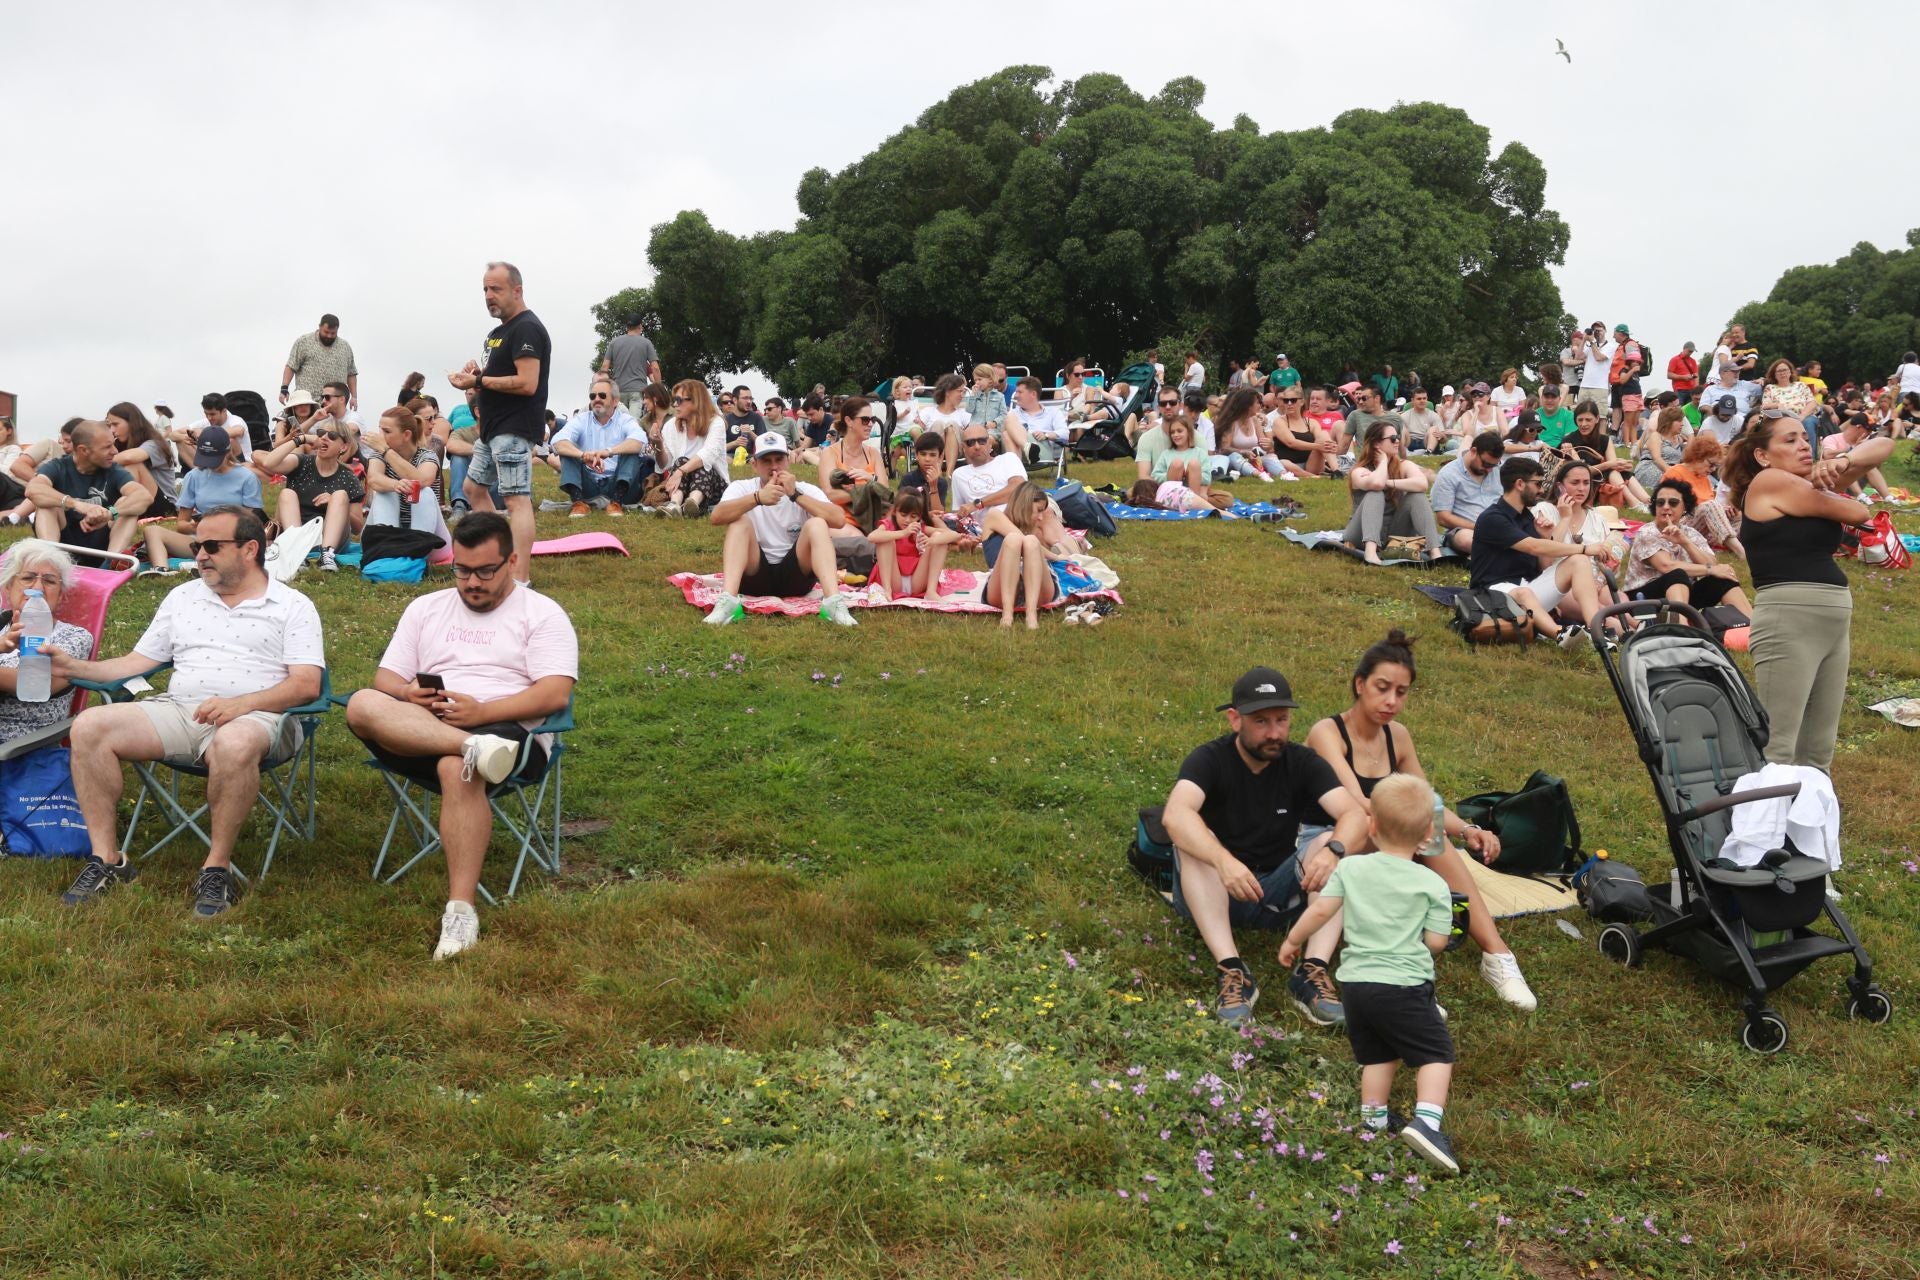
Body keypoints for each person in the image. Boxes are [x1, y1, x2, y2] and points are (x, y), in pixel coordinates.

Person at [53, 507, 325, 917]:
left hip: (263, 718)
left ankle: (217, 868)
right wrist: (73, 668)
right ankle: (107, 860)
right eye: (197, 545)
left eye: (212, 546)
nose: (199, 555)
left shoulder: (292, 605)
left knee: (234, 742)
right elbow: (134, 663)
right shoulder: (182, 596)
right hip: (183, 712)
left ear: (250, 548)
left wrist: (241, 705)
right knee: (90, 725)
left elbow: (307, 685)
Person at [344, 512, 577, 959]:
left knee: (458, 768)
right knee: (361, 703)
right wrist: (409, 693)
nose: (472, 582)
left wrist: (483, 711)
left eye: (485, 571)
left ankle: (460, 911)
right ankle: (471, 747)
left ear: (511, 562)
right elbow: (385, 678)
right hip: (426, 727)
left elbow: (553, 694)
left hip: (511, 735)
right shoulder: (425, 609)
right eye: (462, 570)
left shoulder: (542, 614)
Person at [1302, 630, 1536, 1010]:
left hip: (1383, 838)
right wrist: (1420, 827)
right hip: (1329, 843)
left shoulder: (1398, 737)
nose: (1391, 701)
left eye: (1401, 692)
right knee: (1417, 834)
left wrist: (1470, 830)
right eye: (1382, 688)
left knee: (1430, 836)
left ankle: (1497, 957)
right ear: (1359, 684)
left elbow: (1424, 800)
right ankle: (1403, 981)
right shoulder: (1327, 733)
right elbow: (1359, 804)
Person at [1162, 667, 1371, 1027]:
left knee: (1333, 844)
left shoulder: (1302, 762)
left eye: (1282, 720)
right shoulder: (1208, 759)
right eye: (1261, 721)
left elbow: (1354, 814)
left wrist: (1333, 851)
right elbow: (1175, 816)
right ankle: (1232, 970)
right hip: (1212, 892)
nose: (1274, 732)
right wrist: (1223, 860)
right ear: (1235, 719)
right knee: (1194, 842)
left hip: (1277, 891)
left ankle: (1312, 971)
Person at [1279, 773, 1461, 1173]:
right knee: (1435, 1054)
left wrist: (1294, 940)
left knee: (1380, 1053)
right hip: (1405, 985)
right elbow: (1436, 942)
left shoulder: (1352, 870)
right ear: (1428, 835)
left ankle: (1373, 1122)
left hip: (1356, 986)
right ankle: (1427, 1124)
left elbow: (1323, 910)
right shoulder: (1433, 884)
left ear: (1372, 826)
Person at [1721, 414, 1894, 769]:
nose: (1803, 444)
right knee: (1778, 743)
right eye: (1789, 440)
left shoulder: (1811, 484)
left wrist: (1842, 461)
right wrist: (1832, 479)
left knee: (1818, 747)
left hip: (1829, 619)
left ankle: (1809, 822)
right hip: (1789, 615)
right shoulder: (1770, 482)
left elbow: (1884, 446)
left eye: (1805, 437)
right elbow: (1858, 511)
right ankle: (1764, 821)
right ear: (1763, 456)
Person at [447, 262, 550, 584]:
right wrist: (477, 373)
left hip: (514, 428)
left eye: (496, 289)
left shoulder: (527, 328)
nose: (489, 296)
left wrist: (479, 381)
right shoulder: (498, 332)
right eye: (485, 290)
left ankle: (520, 579)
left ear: (517, 290)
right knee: (472, 488)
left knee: (516, 500)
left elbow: (528, 382)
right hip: (492, 430)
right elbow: (494, 376)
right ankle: (503, 555)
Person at [703, 432, 857, 627]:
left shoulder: (804, 489)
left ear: (788, 461)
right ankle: (729, 601)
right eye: (766, 461)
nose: (774, 467)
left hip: (797, 577)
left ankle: (833, 602)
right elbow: (716, 517)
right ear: (754, 465)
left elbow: (838, 519)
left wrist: (796, 495)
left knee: (817, 524)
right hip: (754, 576)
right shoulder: (743, 487)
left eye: (779, 459)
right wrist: (757, 498)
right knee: (739, 522)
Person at [1469, 455, 1612, 648]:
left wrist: (1547, 535)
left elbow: (1544, 560)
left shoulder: (1526, 517)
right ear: (1520, 484)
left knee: (1578, 561)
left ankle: (1596, 631)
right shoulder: (1493, 518)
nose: (1542, 490)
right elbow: (1533, 547)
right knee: (1525, 593)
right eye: (1537, 484)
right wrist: (1585, 548)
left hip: (1528, 589)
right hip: (1492, 593)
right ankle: (1561, 636)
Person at [0, 541, 96, 746]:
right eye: (27, 578)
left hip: (21, 745)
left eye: (50, 581)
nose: (38, 587)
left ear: (60, 596)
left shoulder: (75, 637)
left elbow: (36, 683)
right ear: (8, 588)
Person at [141, 426, 267, 574]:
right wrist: (196, 527)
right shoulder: (194, 476)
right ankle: (161, 569)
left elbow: (251, 523)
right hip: (200, 538)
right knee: (152, 531)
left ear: (227, 452)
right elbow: (181, 524)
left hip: (232, 539)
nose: (209, 465)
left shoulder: (247, 478)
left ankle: (204, 564)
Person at [1622, 479, 1751, 620]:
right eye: (1660, 502)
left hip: (1682, 593)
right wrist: (1710, 569)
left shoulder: (1690, 533)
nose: (1665, 507)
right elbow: (1666, 566)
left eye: (1673, 502)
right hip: (1643, 599)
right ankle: (1681, 630)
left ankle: (1752, 627)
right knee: (1677, 574)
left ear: (1685, 507)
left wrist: (1685, 542)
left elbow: (1712, 563)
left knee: (1722, 579)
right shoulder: (1647, 532)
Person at [27, 419, 152, 555]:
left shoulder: (113, 470)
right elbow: (33, 490)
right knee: (47, 504)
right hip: (64, 545)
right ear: (83, 450)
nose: (115, 451)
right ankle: (52, 560)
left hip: (103, 545)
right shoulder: (57, 466)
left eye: (113, 445)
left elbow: (144, 496)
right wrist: (76, 504)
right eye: (107, 447)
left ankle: (112, 563)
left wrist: (110, 513)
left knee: (126, 504)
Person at [254, 421, 364, 569]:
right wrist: (301, 439)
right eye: (320, 434)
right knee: (287, 493)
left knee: (340, 495)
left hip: (332, 539)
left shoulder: (348, 477)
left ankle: (326, 556)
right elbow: (268, 463)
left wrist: (335, 503)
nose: (324, 438)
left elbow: (357, 527)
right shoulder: (302, 463)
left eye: (331, 436)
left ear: (343, 447)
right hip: (300, 535)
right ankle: (298, 552)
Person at [1343, 419, 1440, 564]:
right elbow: (1376, 483)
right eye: (1392, 438)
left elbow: (1422, 484)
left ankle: (1435, 552)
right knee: (1375, 492)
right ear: (1376, 444)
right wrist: (1383, 462)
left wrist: (1389, 483)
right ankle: (1370, 552)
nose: (1397, 441)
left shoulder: (1403, 465)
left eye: (1398, 437)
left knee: (1417, 496)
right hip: (1360, 533)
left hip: (1392, 533)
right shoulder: (1359, 470)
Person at [552, 376, 648, 517]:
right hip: (589, 484)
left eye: (602, 395)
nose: (596, 399)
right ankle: (578, 503)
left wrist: (608, 452)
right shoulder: (581, 419)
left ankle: (616, 502)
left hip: (619, 483)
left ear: (615, 401)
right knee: (567, 451)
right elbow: (557, 442)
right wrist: (583, 456)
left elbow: (639, 442)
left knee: (632, 451)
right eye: (593, 396)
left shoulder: (626, 420)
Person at [362, 405, 446, 548]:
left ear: (406, 435)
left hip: (428, 532)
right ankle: (387, 548)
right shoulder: (378, 454)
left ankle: (418, 549)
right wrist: (395, 485)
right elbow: (374, 479)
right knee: (384, 493)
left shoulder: (427, 455)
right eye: (380, 429)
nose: (380, 436)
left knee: (424, 492)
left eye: (386, 431)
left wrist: (386, 450)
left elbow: (422, 480)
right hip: (392, 524)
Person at [869, 487, 960, 602]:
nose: (907, 520)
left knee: (938, 537)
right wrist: (903, 533)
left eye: (913, 516)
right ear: (894, 511)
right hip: (893, 580)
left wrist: (931, 541)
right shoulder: (889, 525)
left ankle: (930, 591)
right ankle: (887, 590)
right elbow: (872, 537)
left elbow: (954, 535)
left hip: (917, 581)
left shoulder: (920, 528)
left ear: (919, 517)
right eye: (903, 515)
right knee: (886, 539)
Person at [1663, 434, 1744, 557]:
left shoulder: (1705, 479)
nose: (1712, 470)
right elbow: (1667, 509)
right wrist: (1707, 509)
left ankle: (1736, 545)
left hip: (1700, 531)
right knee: (1710, 506)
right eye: (1711, 464)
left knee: (1738, 515)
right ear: (1698, 456)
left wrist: (1723, 512)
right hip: (1677, 526)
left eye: (1716, 466)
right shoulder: (1675, 473)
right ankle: (1740, 551)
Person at [818, 397, 891, 533]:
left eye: (872, 420)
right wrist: (868, 488)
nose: (870, 424)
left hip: (874, 519)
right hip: (843, 522)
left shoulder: (873, 454)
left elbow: (885, 494)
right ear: (849, 421)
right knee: (861, 541)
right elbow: (831, 495)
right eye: (865, 420)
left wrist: (868, 481)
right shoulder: (830, 453)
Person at [656, 380, 728, 517]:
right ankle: (675, 505)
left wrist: (680, 472)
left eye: (679, 400)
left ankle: (693, 503)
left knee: (702, 463)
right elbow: (664, 465)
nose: (675, 404)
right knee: (681, 461)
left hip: (714, 485)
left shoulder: (716, 422)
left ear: (696, 401)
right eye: (674, 400)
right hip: (683, 486)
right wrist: (658, 444)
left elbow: (707, 454)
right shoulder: (670, 425)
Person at [1429, 431, 1505, 555]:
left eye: (1494, 465)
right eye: (1486, 464)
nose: (1490, 470)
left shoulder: (1496, 471)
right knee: (1466, 539)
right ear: (1474, 451)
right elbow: (1443, 518)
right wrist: (1481, 527)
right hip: (1466, 530)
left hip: (1500, 526)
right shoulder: (1449, 474)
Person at [104, 402, 179, 515]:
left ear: (131, 423)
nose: (112, 430)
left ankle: (114, 513)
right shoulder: (118, 446)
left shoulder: (155, 444)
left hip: (165, 505)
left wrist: (98, 461)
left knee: (132, 465)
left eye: (115, 424)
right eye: (109, 426)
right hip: (138, 502)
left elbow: (129, 458)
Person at [949, 421, 1028, 524]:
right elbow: (959, 512)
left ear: (990, 444)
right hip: (985, 531)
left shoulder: (1008, 459)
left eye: (981, 441)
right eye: (970, 442)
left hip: (1015, 520)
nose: (977, 446)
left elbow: (1018, 489)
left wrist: (978, 504)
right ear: (963, 447)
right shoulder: (959, 474)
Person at [281, 313, 358, 409]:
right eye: (326, 332)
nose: (329, 336)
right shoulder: (304, 342)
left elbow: (351, 374)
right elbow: (291, 366)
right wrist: (284, 389)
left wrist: (354, 397)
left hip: (335, 407)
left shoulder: (345, 347)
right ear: (320, 327)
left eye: (333, 333)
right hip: (308, 405)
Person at [599, 315, 661, 418]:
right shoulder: (646, 343)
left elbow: (604, 367)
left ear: (627, 327)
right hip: (637, 391)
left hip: (618, 390)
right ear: (640, 326)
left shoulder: (614, 342)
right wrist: (659, 390)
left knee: (617, 424)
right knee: (633, 424)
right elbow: (655, 368)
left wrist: (603, 388)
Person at [1148, 416, 1214, 511]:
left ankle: (1194, 503)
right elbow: (1155, 476)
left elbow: (1207, 478)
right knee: (1177, 463)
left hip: (1195, 492)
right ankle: (1176, 504)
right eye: (1172, 432)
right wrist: (1171, 473)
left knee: (1194, 464)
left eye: (1179, 431)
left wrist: (1189, 475)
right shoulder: (1166, 454)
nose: (1175, 435)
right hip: (1172, 495)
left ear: (1188, 432)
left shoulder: (1199, 453)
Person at [1213, 387, 1278, 481]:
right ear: (1247, 405)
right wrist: (1242, 452)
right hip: (1231, 460)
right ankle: (1259, 475)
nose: (1260, 406)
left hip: (1252, 459)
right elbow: (1224, 449)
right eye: (1257, 403)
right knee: (1235, 456)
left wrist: (1270, 444)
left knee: (1271, 456)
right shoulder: (1231, 422)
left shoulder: (1255, 420)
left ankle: (1284, 474)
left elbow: (1264, 445)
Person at [1001, 377, 1066, 463]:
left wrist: (1046, 435)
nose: (1016, 395)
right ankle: (1024, 451)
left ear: (1033, 394)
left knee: (1008, 425)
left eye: (1020, 392)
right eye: (1016, 392)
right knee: (1006, 433)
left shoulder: (1053, 412)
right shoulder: (1013, 413)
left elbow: (1065, 433)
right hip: (1017, 451)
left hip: (1040, 451)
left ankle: (1019, 463)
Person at [1632, 405, 1690, 495]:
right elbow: (1657, 459)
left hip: (1671, 469)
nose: (1682, 424)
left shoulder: (1679, 439)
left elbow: (1681, 461)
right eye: (1679, 421)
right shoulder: (1656, 436)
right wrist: (1672, 472)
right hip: (1653, 467)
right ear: (1669, 422)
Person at [1401, 387, 1445, 454]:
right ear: (1412, 400)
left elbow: (1444, 439)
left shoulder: (1434, 415)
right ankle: (1402, 452)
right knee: (1401, 429)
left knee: (1433, 429)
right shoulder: (1404, 415)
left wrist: (1441, 436)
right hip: (1410, 442)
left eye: (1424, 398)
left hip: (1426, 442)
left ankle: (1428, 453)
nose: (1422, 401)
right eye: (1419, 399)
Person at [1535, 383, 1576, 449]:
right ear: (1542, 398)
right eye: (1547, 397)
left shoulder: (1569, 415)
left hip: (1559, 451)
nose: (1549, 400)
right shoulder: (1534, 415)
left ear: (1559, 399)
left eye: (1553, 397)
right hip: (1537, 450)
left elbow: (1568, 440)